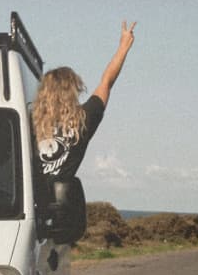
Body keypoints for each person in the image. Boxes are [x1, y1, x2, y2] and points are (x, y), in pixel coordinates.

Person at [32, 20, 136, 180]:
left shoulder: (28, 122)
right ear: (72, 91)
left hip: (26, 201)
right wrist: (123, 47)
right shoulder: (82, 120)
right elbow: (107, 82)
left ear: (43, 93)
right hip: (61, 203)